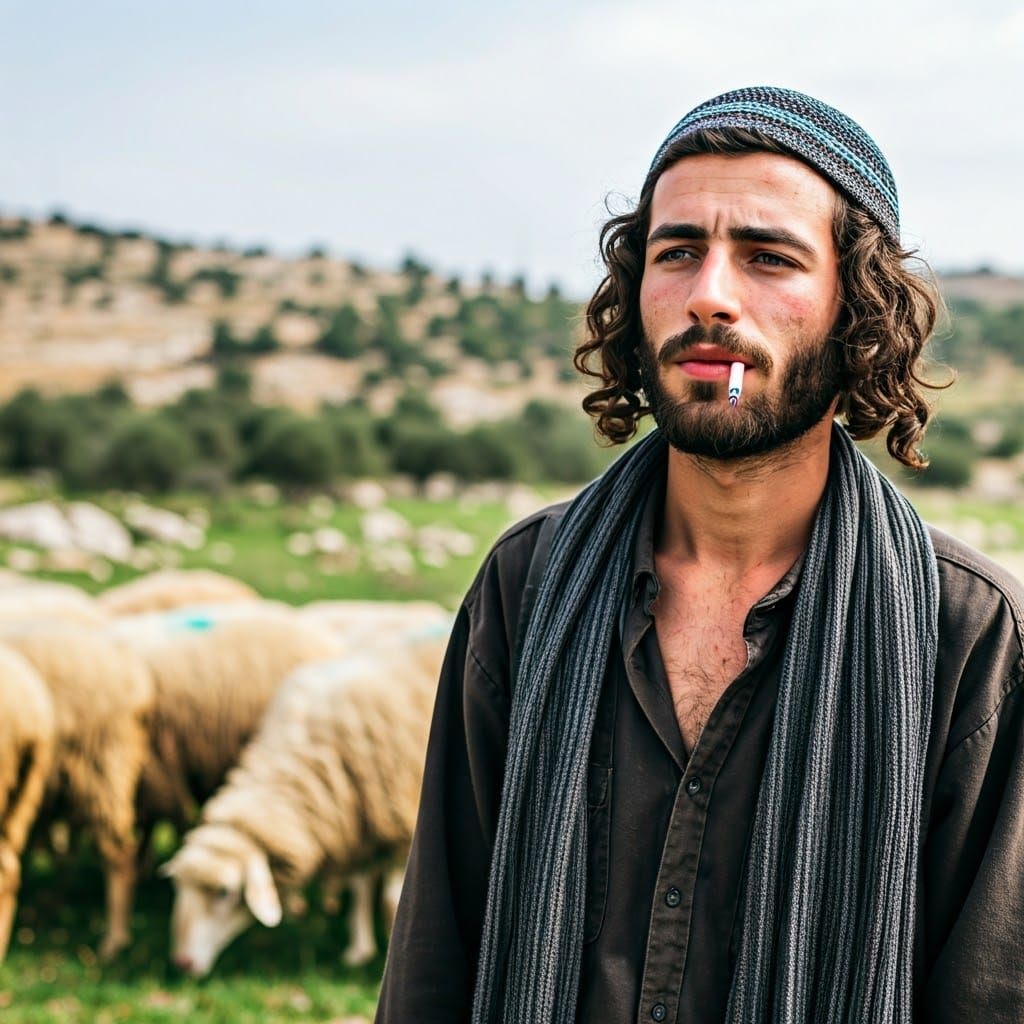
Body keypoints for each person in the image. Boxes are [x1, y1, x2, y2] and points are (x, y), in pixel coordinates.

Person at [375, 87, 1024, 1024]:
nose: (709, 293)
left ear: (859, 308)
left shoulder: (970, 638)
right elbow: (438, 951)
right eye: (677, 251)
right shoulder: (528, 585)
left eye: (769, 257)